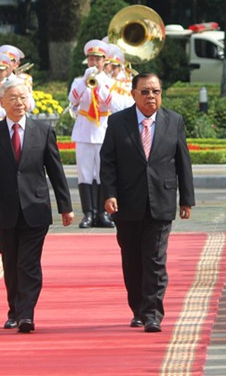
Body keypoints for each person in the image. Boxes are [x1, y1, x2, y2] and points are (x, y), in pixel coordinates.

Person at [0, 78, 74, 333]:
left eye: (23, 97)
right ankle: (14, 310)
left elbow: (55, 170)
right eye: (14, 98)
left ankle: (26, 314)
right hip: (4, 209)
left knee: (28, 262)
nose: (19, 102)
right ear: (2, 101)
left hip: (36, 208)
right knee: (11, 262)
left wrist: (65, 205)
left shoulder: (43, 131)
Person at [100, 72, 195, 332]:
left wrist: (186, 199)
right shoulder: (118, 122)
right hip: (126, 203)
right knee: (132, 260)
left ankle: (153, 313)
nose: (151, 96)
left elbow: (182, 161)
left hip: (161, 201)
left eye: (156, 91)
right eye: (145, 91)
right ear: (133, 94)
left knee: (154, 259)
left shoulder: (173, 121)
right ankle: (139, 309)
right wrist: (109, 194)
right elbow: (107, 161)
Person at [69, 39, 115, 228]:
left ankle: (103, 213)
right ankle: (89, 213)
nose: (94, 62)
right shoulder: (79, 81)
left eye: (98, 59)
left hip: (103, 130)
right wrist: (85, 83)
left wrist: (99, 84)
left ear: (105, 61)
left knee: (102, 173)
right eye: (91, 59)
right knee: (85, 173)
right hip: (84, 132)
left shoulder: (110, 82)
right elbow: (73, 99)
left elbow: (110, 102)